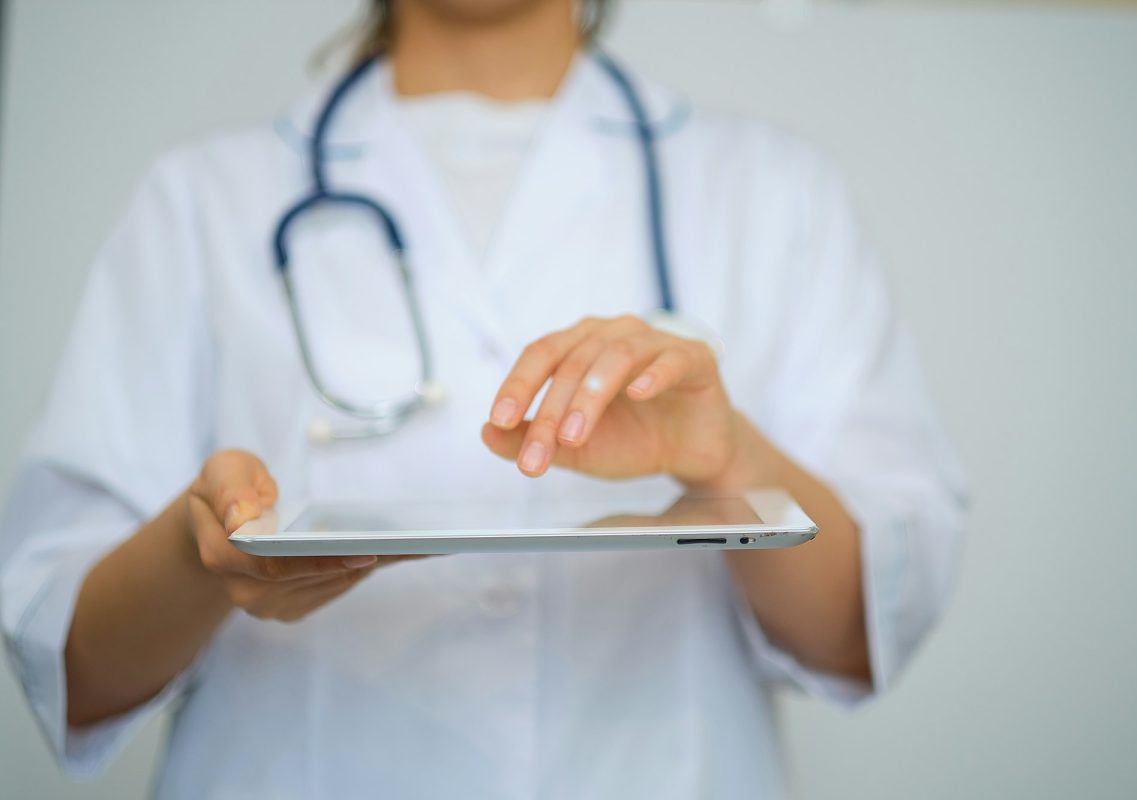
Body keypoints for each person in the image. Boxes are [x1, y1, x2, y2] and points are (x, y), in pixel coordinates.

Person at [0, 0, 966, 796]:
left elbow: (861, 633)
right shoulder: (202, 198)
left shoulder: (773, 190)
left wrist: (728, 460)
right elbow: (73, 667)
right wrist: (197, 557)